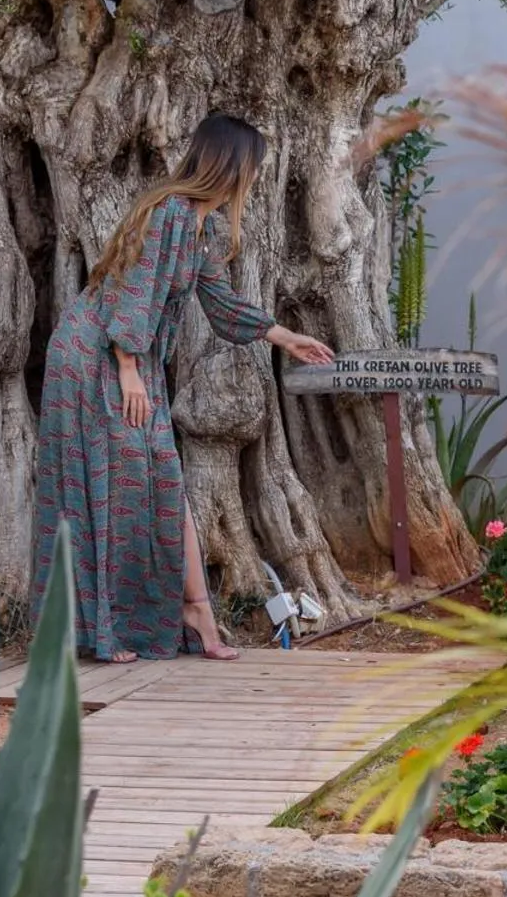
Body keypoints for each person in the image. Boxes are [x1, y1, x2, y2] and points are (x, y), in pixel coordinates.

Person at [31, 115, 334, 664]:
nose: (256, 176)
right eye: (254, 166)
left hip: (131, 356)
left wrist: (284, 336)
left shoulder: (204, 230)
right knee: (110, 479)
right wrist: (127, 367)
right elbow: (132, 286)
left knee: (162, 481)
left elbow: (220, 303)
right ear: (232, 165)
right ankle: (103, 628)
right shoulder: (169, 213)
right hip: (94, 356)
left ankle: (195, 609)